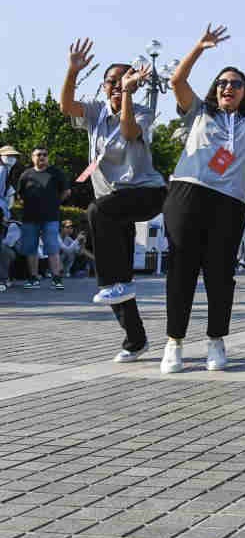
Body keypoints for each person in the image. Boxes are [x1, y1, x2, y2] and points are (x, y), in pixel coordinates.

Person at [159, 25, 245, 373]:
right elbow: (176, 82)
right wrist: (199, 47)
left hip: (229, 202)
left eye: (236, 84)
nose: (228, 87)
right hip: (188, 193)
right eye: (222, 83)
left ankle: (216, 340)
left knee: (219, 274)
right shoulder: (200, 112)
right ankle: (174, 342)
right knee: (182, 270)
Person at [60, 40, 168, 361]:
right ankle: (135, 338)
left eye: (124, 80)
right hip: (112, 208)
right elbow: (67, 106)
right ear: (104, 86)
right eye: (112, 82)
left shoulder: (144, 110)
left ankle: (110, 282)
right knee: (119, 282)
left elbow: (129, 130)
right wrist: (72, 70)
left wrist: (130, 96)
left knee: (97, 212)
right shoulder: (94, 111)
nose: (117, 86)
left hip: (145, 194)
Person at [16, 147, 71, 290]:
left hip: (50, 218)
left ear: (48, 157)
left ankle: (57, 279)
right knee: (31, 249)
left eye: (45, 155)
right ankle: (33, 279)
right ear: (32, 157)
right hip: (29, 218)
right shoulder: (26, 174)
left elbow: (66, 192)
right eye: (38, 154)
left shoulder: (56, 173)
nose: (42, 157)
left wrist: (54, 203)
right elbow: (19, 196)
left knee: (53, 248)